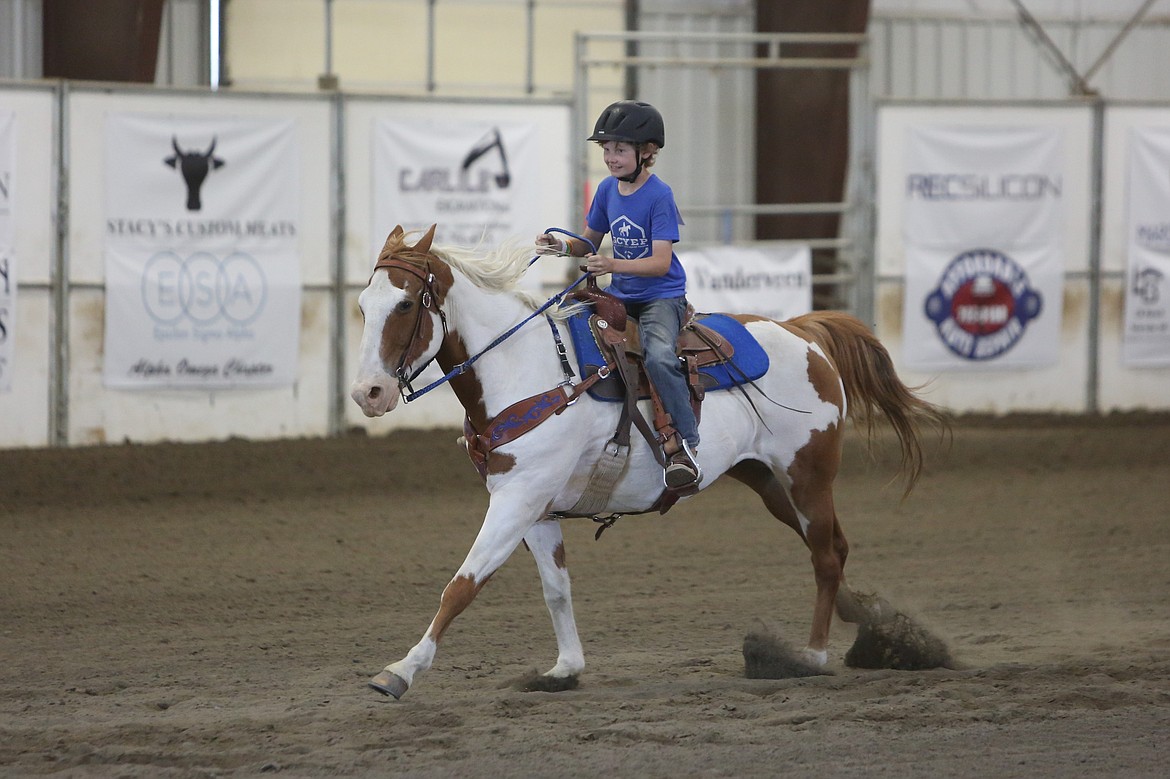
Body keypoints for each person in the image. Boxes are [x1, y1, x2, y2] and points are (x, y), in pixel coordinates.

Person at [537, 99, 701, 488]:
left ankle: (689, 440)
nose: (610, 158)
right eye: (606, 149)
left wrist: (611, 265)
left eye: (620, 149)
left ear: (647, 153)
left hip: (661, 296)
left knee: (660, 357)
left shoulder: (660, 196)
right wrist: (561, 247)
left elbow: (661, 263)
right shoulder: (608, 190)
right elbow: (588, 242)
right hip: (621, 294)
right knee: (561, 330)